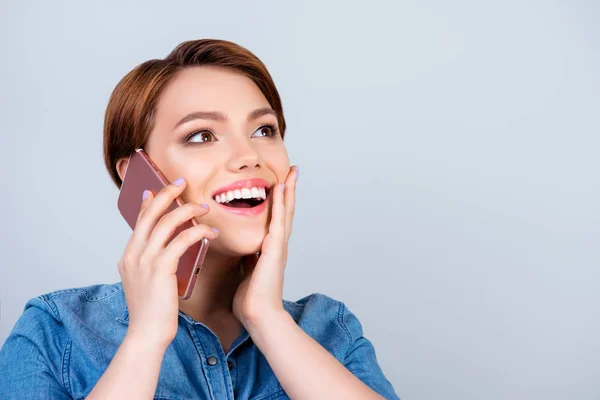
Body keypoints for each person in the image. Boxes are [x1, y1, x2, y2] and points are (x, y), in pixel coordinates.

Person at [0, 39, 400, 399]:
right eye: (201, 136)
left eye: (264, 129)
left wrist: (268, 321)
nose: (249, 156)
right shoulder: (56, 332)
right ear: (138, 175)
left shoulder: (331, 330)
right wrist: (146, 339)